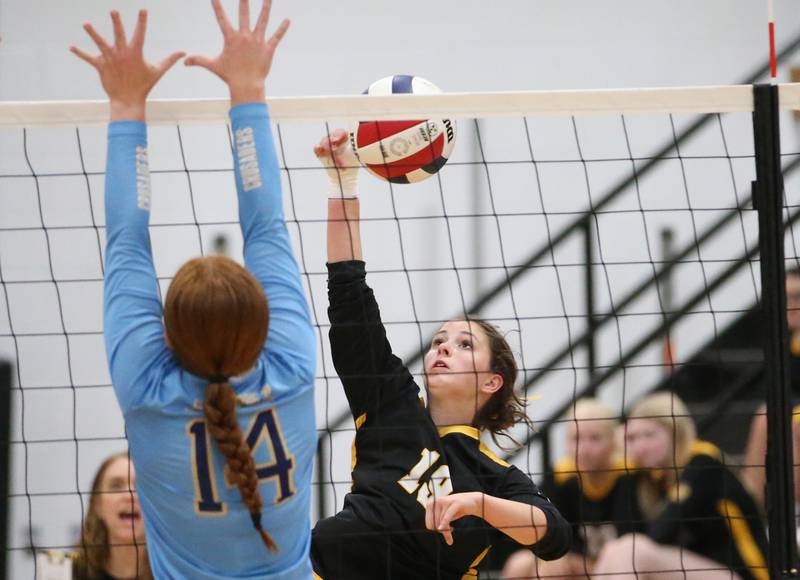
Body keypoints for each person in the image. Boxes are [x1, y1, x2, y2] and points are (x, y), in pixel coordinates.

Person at [71, 2, 317, 577]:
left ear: (168, 333)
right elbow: (265, 225)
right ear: (261, 324)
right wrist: (248, 92)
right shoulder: (291, 367)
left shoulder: (148, 388)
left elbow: (126, 240)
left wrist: (129, 105)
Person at [309, 131, 571, 579]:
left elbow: (556, 538)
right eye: (439, 341)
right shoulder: (391, 403)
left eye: (465, 344)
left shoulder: (490, 473)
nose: (444, 346)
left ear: (493, 382)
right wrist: (343, 186)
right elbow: (349, 294)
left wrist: (478, 504)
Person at [592, 392, 768, 580]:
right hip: (700, 571)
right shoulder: (655, 477)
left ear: (675, 433)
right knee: (615, 550)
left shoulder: (702, 461)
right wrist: (627, 469)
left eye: (649, 435)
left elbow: (662, 533)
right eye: (633, 438)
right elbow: (626, 531)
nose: (640, 446)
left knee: (632, 550)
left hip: (748, 575)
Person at [502, 398, 641, 579]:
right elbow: (549, 534)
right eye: (576, 438)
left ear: (613, 441)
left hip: (622, 566)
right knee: (520, 564)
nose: (584, 448)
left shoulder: (629, 475)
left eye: (595, 438)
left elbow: (635, 541)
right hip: (578, 562)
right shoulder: (561, 477)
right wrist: (556, 557)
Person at [741, 267, 800, 509]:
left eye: (797, 297)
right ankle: (753, 509)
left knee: (776, 420)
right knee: (768, 417)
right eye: (784, 297)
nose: (790, 304)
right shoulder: (786, 344)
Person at [72, 452, 151, 580]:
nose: (129, 495)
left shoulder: (174, 573)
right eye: (116, 486)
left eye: (140, 486)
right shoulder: (71, 573)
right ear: (97, 505)